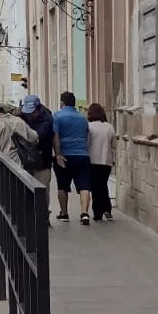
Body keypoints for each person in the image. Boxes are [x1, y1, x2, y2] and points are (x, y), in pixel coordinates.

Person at [52, 90, 92, 224]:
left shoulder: (57, 116)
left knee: (62, 186)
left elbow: (55, 136)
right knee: (84, 186)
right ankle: (85, 213)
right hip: (82, 155)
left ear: (62, 102)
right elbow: (87, 137)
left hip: (65, 155)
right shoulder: (83, 118)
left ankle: (64, 213)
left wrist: (58, 154)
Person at [18, 94, 56, 203]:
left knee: (42, 192)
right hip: (26, 160)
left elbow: (36, 138)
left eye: (32, 112)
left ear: (39, 109)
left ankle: (43, 217)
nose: (30, 115)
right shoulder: (23, 115)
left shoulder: (47, 119)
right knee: (26, 193)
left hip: (42, 161)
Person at [86, 102, 116, 222]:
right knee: (103, 185)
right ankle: (107, 209)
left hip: (92, 160)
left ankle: (97, 212)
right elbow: (114, 144)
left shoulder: (89, 127)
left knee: (95, 187)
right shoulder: (109, 127)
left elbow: (87, 144)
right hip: (106, 161)